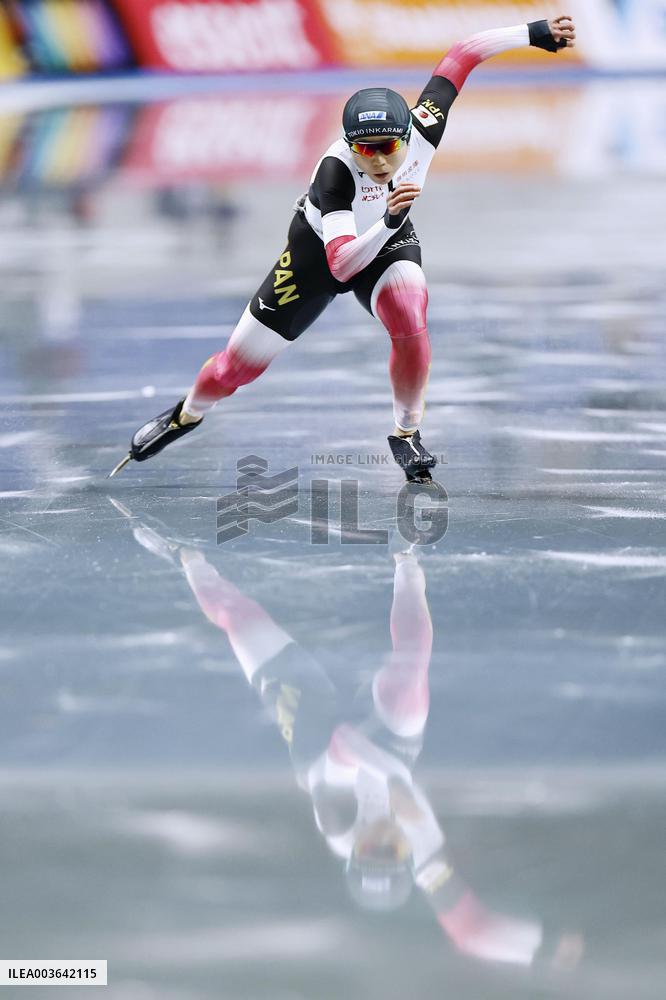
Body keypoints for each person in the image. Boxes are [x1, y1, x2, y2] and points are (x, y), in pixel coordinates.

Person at [109, 15, 576, 483]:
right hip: (319, 254)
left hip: (387, 238)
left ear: (408, 136)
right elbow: (340, 265)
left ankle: (406, 433)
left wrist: (532, 33)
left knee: (410, 311)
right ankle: (186, 414)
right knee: (234, 370)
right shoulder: (335, 172)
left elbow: (463, 53)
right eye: (365, 150)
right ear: (350, 146)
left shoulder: (425, 125)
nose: (379, 160)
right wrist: (389, 220)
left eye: (388, 146)